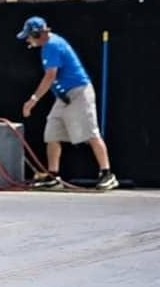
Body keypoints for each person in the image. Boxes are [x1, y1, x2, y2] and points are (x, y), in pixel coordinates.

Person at [17, 16, 117, 190]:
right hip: (64, 97)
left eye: (29, 36)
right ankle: (53, 175)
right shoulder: (47, 47)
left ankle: (107, 174)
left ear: (37, 34)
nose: (27, 40)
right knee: (52, 133)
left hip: (79, 93)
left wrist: (33, 100)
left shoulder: (52, 45)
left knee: (90, 133)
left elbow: (50, 76)